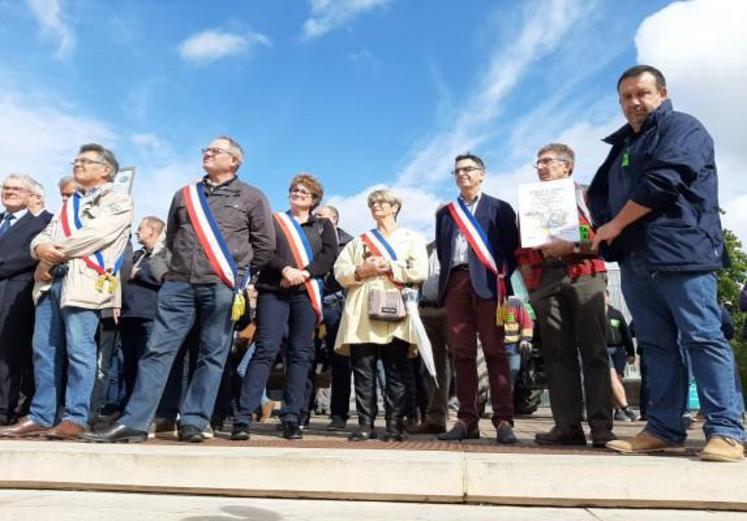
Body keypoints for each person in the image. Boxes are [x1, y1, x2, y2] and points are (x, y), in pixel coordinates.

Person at [588, 65, 744, 462]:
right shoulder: (623, 146)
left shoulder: (683, 128)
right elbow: (598, 193)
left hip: (681, 253)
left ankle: (726, 430)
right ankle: (663, 428)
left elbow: (663, 181)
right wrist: (602, 228)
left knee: (703, 337)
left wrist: (614, 224)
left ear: (661, 93)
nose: (634, 103)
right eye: (626, 97)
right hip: (636, 258)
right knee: (657, 347)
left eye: (641, 93)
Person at [83, 135, 275, 444]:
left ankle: (194, 422)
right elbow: (172, 239)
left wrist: (239, 274)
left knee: (211, 355)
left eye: (216, 151)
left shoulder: (252, 197)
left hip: (222, 285)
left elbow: (265, 245)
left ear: (235, 161)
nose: (207, 153)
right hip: (179, 285)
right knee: (156, 351)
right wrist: (177, 271)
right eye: (206, 149)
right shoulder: (185, 195)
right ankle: (135, 422)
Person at [0, 144, 133, 440]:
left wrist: (50, 255)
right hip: (50, 283)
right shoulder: (70, 202)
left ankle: (76, 417)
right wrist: (40, 249)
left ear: (106, 169)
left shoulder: (118, 198)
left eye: (85, 161)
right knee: (43, 350)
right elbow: (44, 235)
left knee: (79, 350)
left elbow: (97, 234)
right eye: (76, 160)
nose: (78, 165)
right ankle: (42, 415)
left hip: (82, 282)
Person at [514, 143, 614, 447]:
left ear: (567, 166)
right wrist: (533, 288)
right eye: (538, 163)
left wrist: (570, 245)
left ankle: (601, 427)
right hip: (546, 280)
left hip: (584, 273)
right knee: (557, 355)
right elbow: (520, 249)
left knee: (594, 350)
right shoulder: (529, 203)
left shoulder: (587, 195)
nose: (542, 167)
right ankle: (567, 426)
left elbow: (603, 232)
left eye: (548, 162)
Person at [231, 174, 337, 440]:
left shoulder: (323, 226)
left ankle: (291, 417)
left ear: (314, 199)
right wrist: (285, 269)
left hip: (305, 292)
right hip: (273, 290)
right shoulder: (274, 221)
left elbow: (329, 256)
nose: (298, 193)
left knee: (301, 354)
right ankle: (242, 417)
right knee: (265, 349)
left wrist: (305, 273)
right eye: (294, 190)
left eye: (304, 191)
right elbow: (263, 250)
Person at [435, 153, 519, 445]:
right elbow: (444, 254)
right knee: (461, 353)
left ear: (482, 174)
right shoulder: (446, 213)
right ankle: (466, 419)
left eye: (468, 169)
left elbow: (512, 251)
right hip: (456, 284)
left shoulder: (500, 208)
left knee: (496, 352)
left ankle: (504, 419)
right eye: (457, 170)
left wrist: (501, 279)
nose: (462, 174)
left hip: (489, 284)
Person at [334, 189, 428, 442]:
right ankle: (365, 424)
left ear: (395, 207)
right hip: (362, 309)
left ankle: (394, 425)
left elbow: (420, 270)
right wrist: (360, 270)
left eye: (382, 202)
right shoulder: (359, 241)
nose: (376, 206)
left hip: (395, 307)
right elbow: (339, 271)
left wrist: (390, 266)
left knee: (396, 369)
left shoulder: (411, 238)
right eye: (372, 203)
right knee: (363, 370)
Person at [0, 174, 53, 425]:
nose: (10, 192)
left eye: (17, 189)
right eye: (6, 188)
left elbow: (27, 256)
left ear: (29, 195)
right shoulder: (1, 220)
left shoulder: (41, 223)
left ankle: (3, 410)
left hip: (14, 296)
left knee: (7, 353)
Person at [314, 205, 355, 431]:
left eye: (322, 216)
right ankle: (298, 414)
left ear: (335, 220)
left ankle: (339, 413)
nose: (317, 219)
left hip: (336, 304)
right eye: (315, 216)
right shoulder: (307, 238)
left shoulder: (349, 243)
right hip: (308, 302)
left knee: (340, 361)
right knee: (305, 357)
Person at [117, 217, 165, 412]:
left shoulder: (163, 256)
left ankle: (143, 410)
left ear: (153, 230)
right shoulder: (136, 255)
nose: (137, 232)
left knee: (146, 365)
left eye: (140, 228)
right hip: (128, 316)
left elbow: (166, 281)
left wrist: (140, 275)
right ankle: (126, 408)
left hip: (149, 316)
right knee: (127, 365)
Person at [407, 239, 451, 435]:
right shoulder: (424, 248)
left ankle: (468, 417)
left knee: (463, 364)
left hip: (452, 310)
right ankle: (435, 418)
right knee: (431, 368)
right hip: (425, 311)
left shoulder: (461, 244)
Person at [604, 291, 638, 422]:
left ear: (608, 297)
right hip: (603, 349)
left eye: (605, 296)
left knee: (618, 379)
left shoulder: (616, 314)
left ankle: (618, 409)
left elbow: (626, 334)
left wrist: (631, 353)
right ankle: (624, 408)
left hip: (618, 350)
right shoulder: (594, 315)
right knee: (611, 379)